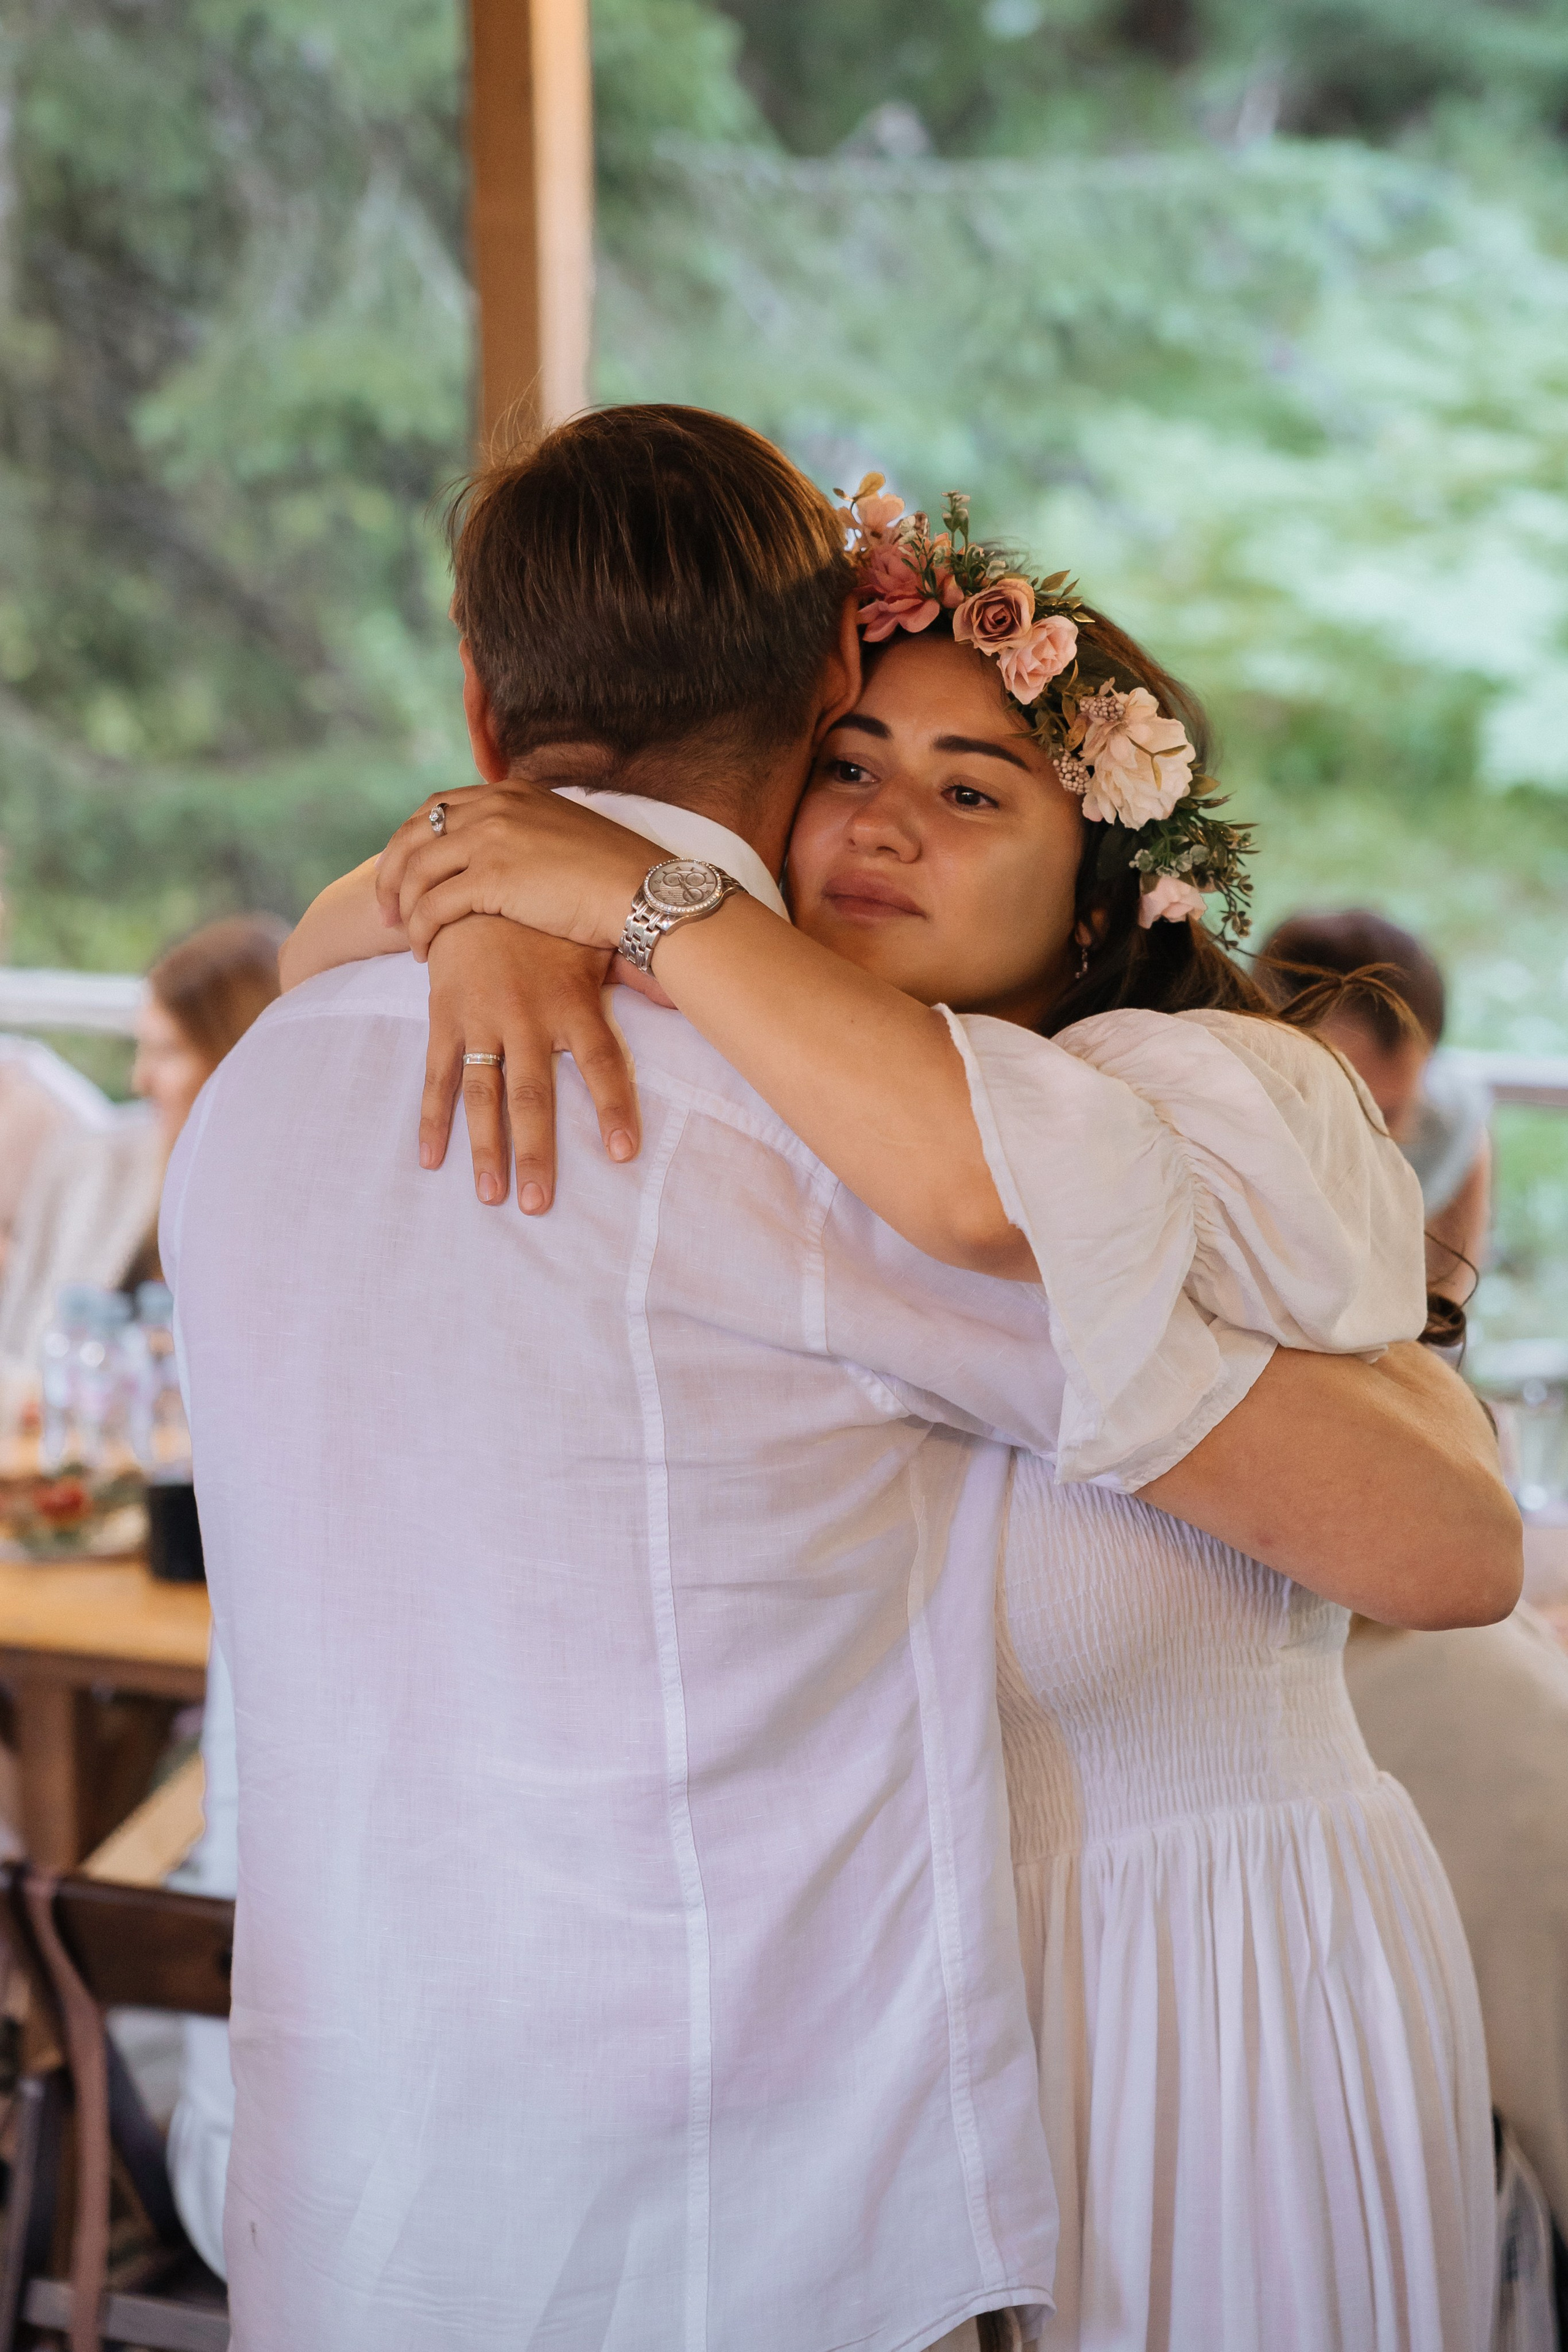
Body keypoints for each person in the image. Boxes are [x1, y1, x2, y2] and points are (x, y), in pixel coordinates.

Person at [170, 408, 1516, 2352]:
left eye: (976, 790)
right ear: (817, 693)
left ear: (475, 702)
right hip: (729, 2200)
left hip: (371, 2174)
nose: (887, 823)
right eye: (865, 758)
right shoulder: (818, 1144)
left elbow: (1428, 1533)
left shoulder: (259, 1095)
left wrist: (501, 900)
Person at [0, 914, 285, 1368]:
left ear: (240, 1053)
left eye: (168, 1051)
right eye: (142, 1048)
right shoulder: (96, 1165)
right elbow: (26, 1354)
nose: (139, 1080)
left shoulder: (290, 1213)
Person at [1260, 908, 1490, 1305]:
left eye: (1390, 1112)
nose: (1368, 1137)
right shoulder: (1233, 1132)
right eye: (1341, 1108)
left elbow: (1449, 1291)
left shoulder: (1448, 1117)